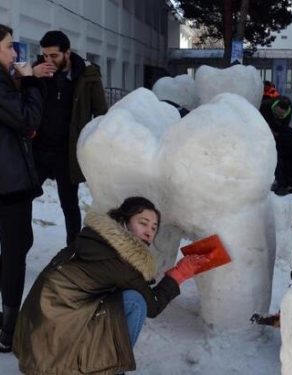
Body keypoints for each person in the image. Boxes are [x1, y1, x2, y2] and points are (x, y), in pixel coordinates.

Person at [13, 196, 208, 374]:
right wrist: (179, 274)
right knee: (135, 302)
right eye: (143, 223)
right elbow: (152, 305)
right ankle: (113, 369)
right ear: (123, 222)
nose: (149, 232)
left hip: (36, 345)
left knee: (119, 298)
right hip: (55, 357)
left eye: (154, 228)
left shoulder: (93, 237)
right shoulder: (122, 261)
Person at [32, 30, 108, 245]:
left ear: (67, 53)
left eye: (53, 56)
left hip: (67, 153)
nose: (48, 60)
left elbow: (101, 114)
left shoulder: (88, 75)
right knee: (21, 199)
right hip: (38, 150)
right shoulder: (36, 72)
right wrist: (31, 75)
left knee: (69, 204)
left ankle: (73, 251)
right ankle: (15, 248)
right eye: (45, 56)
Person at [0, 24, 44, 352]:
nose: (14, 53)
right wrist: (29, 80)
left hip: (8, 178)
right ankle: (8, 331)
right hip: (9, 185)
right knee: (15, 252)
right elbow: (28, 119)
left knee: (14, 248)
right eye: (8, 47)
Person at [260, 96, 292, 196]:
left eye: (281, 115)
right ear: (274, 107)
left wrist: (277, 134)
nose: (278, 116)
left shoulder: (289, 114)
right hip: (266, 132)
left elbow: (283, 127)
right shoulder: (265, 106)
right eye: (276, 113)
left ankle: (284, 183)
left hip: (280, 138)